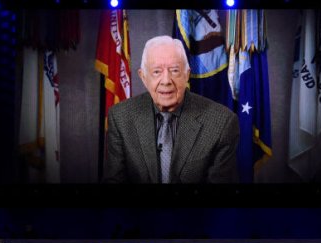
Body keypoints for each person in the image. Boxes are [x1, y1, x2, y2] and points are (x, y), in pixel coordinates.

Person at [102, 36, 239, 184]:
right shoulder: (121, 117)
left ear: (187, 74)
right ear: (143, 77)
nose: (166, 80)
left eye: (174, 71)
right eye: (156, 72)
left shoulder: (221, 123)